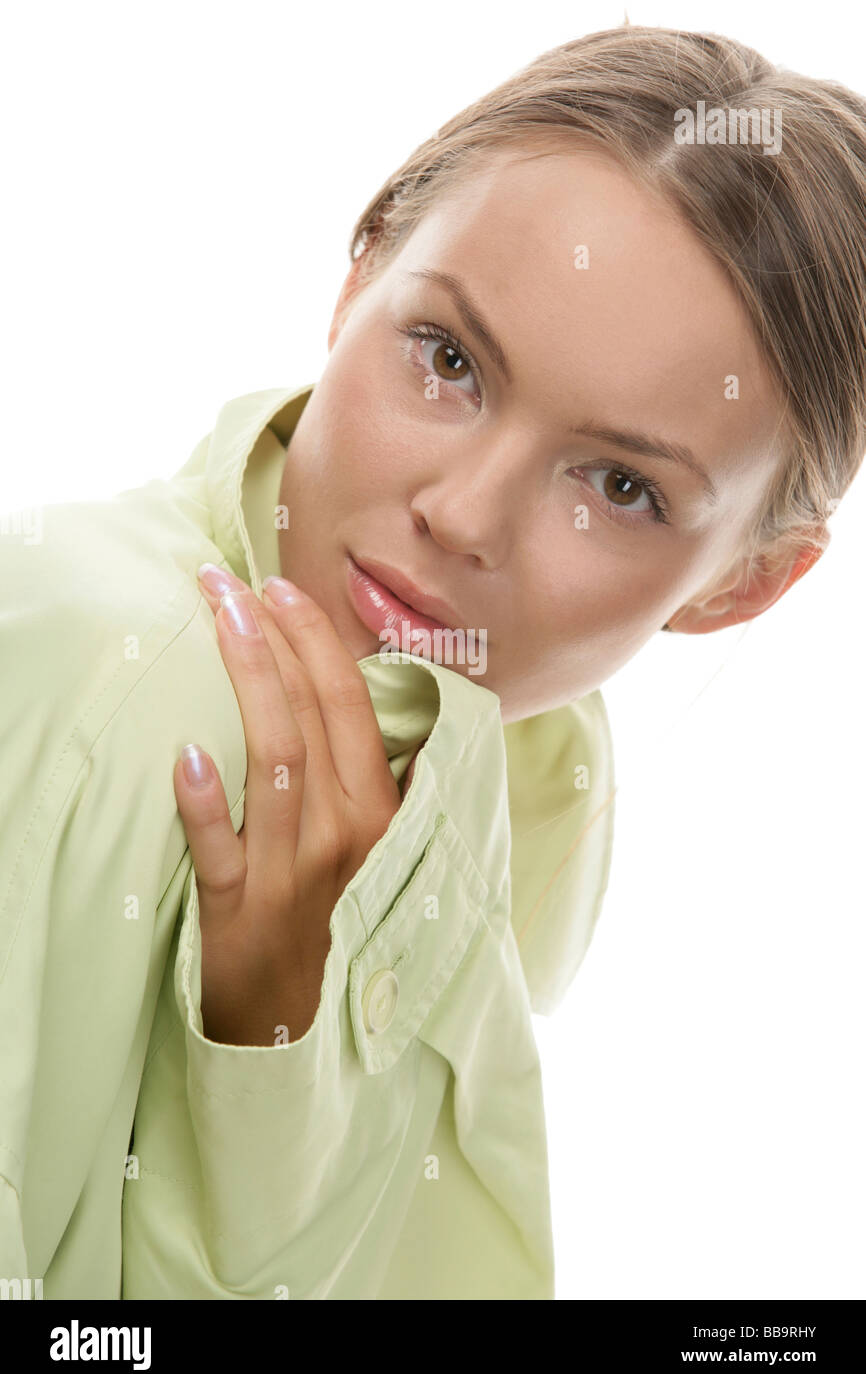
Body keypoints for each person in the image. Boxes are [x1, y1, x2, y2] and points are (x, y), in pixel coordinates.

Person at [1, 22, 864, 1300]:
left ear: (743, 584)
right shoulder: (106, 693)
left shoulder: (538, 764)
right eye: (448, 360)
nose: (463, 517)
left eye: (618, 486)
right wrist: (265, 1065)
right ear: (361, 272)